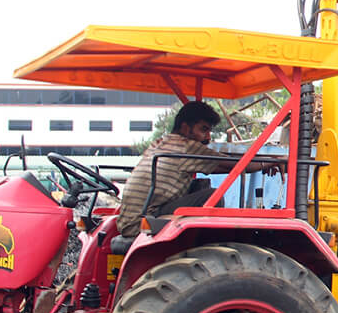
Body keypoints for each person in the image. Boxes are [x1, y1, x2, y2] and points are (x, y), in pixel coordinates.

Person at [115, 101, 273, 239]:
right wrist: (272, 162)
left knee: (200, 185)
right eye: (203, 130)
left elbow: (221, 165)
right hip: (145, 220)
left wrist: (264, 163)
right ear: (185, 128)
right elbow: (236, 164)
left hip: (131, 220)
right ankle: (210, 245)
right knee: (212, 195)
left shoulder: (162, 143)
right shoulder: (187, 147)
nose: (208, 137)